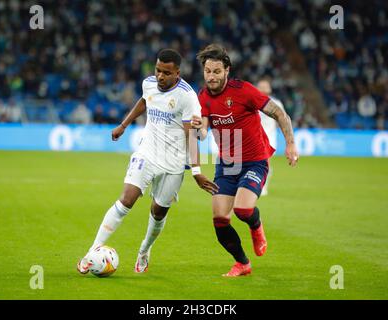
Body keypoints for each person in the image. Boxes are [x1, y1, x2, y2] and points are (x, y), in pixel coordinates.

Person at [77, 49, 218, 274]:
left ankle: (144, 249)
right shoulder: (149, 83)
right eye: (158, 70)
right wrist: (124, 125)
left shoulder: (187, 96)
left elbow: (191, 135)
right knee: (126, 200)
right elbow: (144, 101)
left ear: (177, 73)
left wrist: (196, 171)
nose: (160, 76)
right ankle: (91, 251)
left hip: (174, 163)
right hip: (147, 153)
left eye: (166, 73)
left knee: (158, 212)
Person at [193, 44, 298, 277]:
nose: (211, 76)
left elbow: (279, 113)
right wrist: (197, 128)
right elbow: (202, 131)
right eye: (208, 71)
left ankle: (256, 226)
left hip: (254, 161)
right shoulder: (202, 97)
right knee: (220, 219)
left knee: (242, 209)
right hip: (227, 164)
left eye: (216, 71)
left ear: (227, 71)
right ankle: (242, 263)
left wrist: (290, 143)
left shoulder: (245, 91)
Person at [257, 78, 286, 196]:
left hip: (269, 138)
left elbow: (282, 120)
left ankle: (263, 187)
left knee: (265, 163)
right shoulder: (253, 102)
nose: (263, 88)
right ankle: (255, 185)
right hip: (254, 138)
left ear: (269, 88)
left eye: (265, 86)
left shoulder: (276, 103)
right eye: (261, 86)